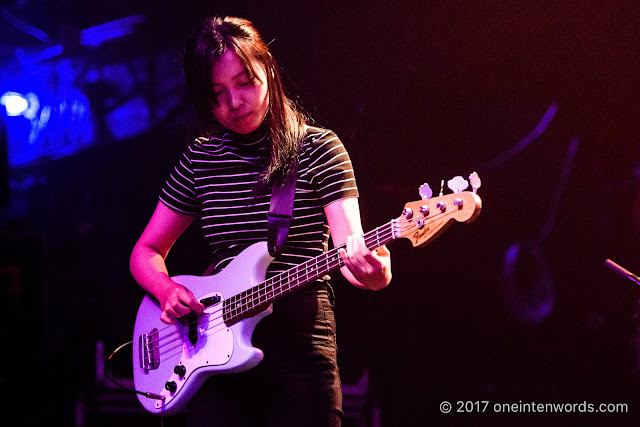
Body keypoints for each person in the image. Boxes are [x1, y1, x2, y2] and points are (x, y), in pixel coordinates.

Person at [129, 16, 391, 426]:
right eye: (217, 94)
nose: (234, 102)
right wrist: (165, 289)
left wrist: (373, 271)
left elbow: (352, 251)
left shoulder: (319, 149)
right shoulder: (200, 159)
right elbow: (146, 251)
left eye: (245, 82)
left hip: (300, 350)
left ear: (268, 69)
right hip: (211, 351)